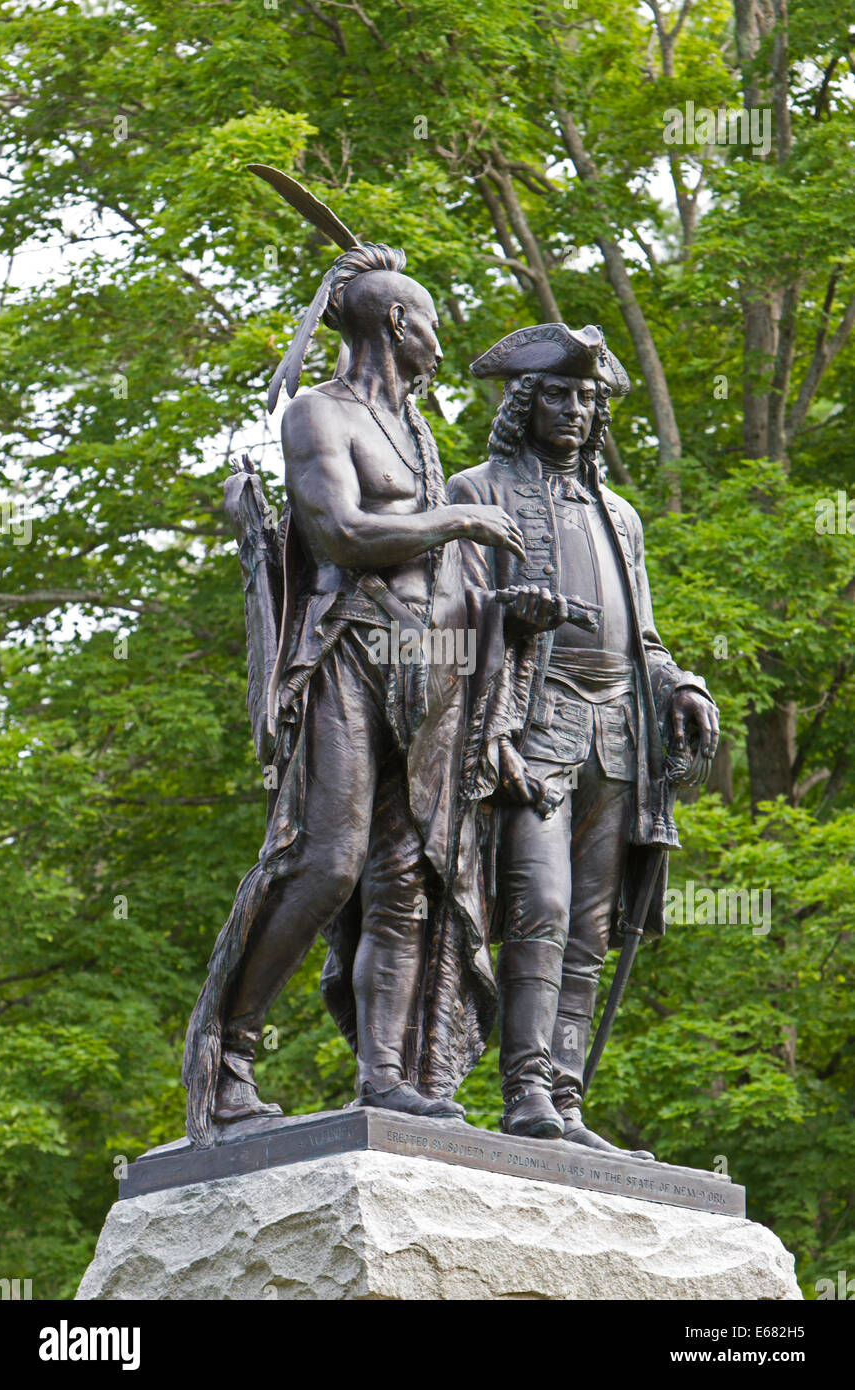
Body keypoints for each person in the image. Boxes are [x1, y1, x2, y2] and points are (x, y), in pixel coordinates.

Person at [183, 243, 536, 1146]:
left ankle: (386, 1077)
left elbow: (447, 580)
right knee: (327, 862)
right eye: (429, 324)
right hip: (346, 653)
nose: (439, 342)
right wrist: (458, 517)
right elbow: (339, 532)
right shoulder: (318, 414)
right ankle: (229, 1063)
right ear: (394, 323)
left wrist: (507, 622)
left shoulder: (420, 436)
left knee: (407, 877)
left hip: (430, 672)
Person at [447, 323, 719, 1152]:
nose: (573, 410)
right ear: (526, 403)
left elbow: (645, 639)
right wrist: (503, 613)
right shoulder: (477, 491)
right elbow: (439, 624)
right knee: (542, 909)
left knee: (592, 932)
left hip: (619, 737)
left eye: (587, 398)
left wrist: (685, 684)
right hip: (530, 732)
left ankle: (565, 1100)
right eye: (557, 395)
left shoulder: (620, 516)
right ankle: (523, 1087)